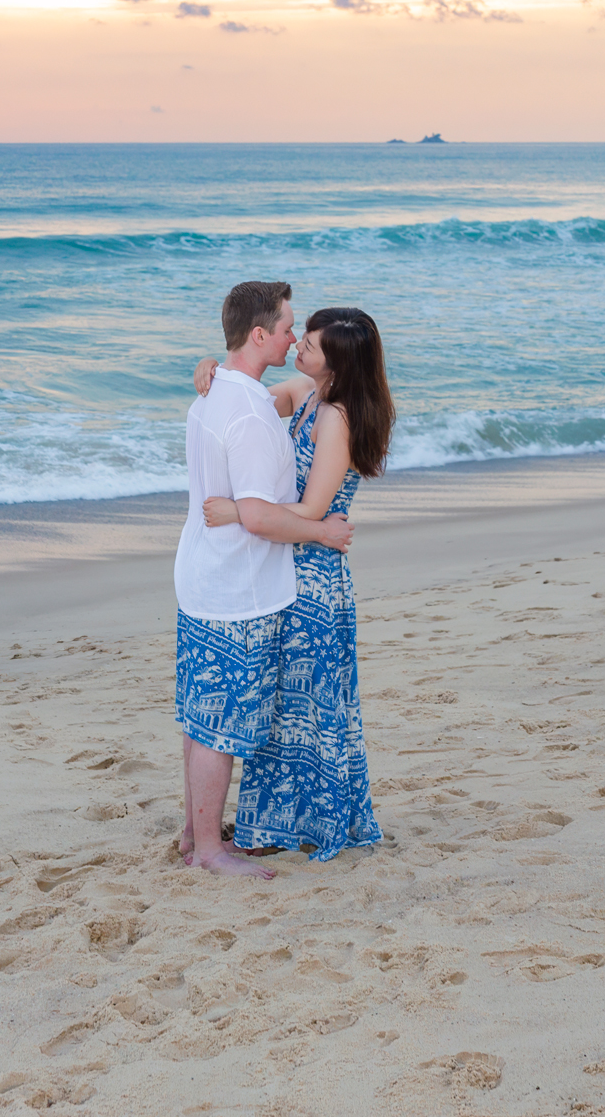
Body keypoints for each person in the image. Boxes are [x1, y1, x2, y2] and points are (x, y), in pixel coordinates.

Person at [193, 306, 393, 861]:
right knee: (286, 704)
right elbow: (263, 400)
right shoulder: (310, 392)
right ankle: (279, 824)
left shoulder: (338, 418)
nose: (299, 346)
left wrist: (240, 511)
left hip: (312, 575)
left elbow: (313, 508)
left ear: (339, 363)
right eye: (299, 337)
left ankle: (302, 824)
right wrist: (216, 368)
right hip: (294, 563)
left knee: (302, 704)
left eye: (310, 343)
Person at [174, 280, 354, 880]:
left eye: (305, 336)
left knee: (205, 717)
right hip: (242, 586)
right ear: (259, 334)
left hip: (208, 575)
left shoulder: (223, 397)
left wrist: (212, 366)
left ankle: (198, 832)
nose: (293, 340)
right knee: (220, 726)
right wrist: (323, 532)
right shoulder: (250, 409)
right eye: (287, 329)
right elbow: (258, 514)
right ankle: (208, 847)